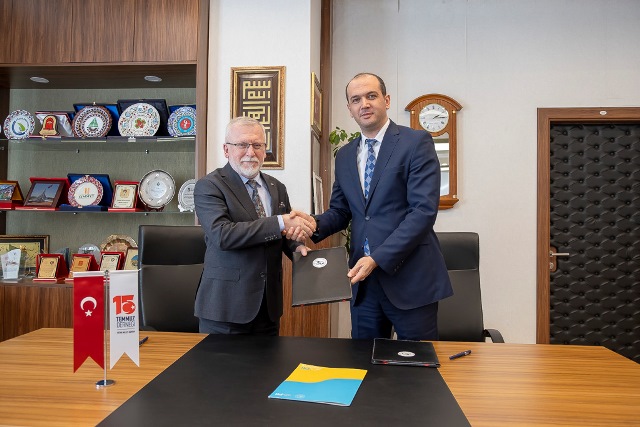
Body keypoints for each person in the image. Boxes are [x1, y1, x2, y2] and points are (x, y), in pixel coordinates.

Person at [309, 73, 452, 340]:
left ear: (386, 100)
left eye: (371, 96)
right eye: (356, 100)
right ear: (349, 109)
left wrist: (377, 258)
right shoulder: (345, 155)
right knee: (364, 361)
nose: (364, 104)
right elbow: (341, 211)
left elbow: (422, 212)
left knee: (416, 362)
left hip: (411, 278)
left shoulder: (416, 142)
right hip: (364, 284)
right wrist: (309, 225)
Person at [194, 116, 316, 335]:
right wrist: (280, 221)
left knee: (270, 360)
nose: (250, 152)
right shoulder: (209, 185)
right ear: (226, 149)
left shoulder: (277, 187)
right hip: (226, 309)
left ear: (264, 150)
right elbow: (222, 235)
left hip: (268, 307)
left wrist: (296, 247)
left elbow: (282, 233)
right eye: (242, 144)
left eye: (257, 145)